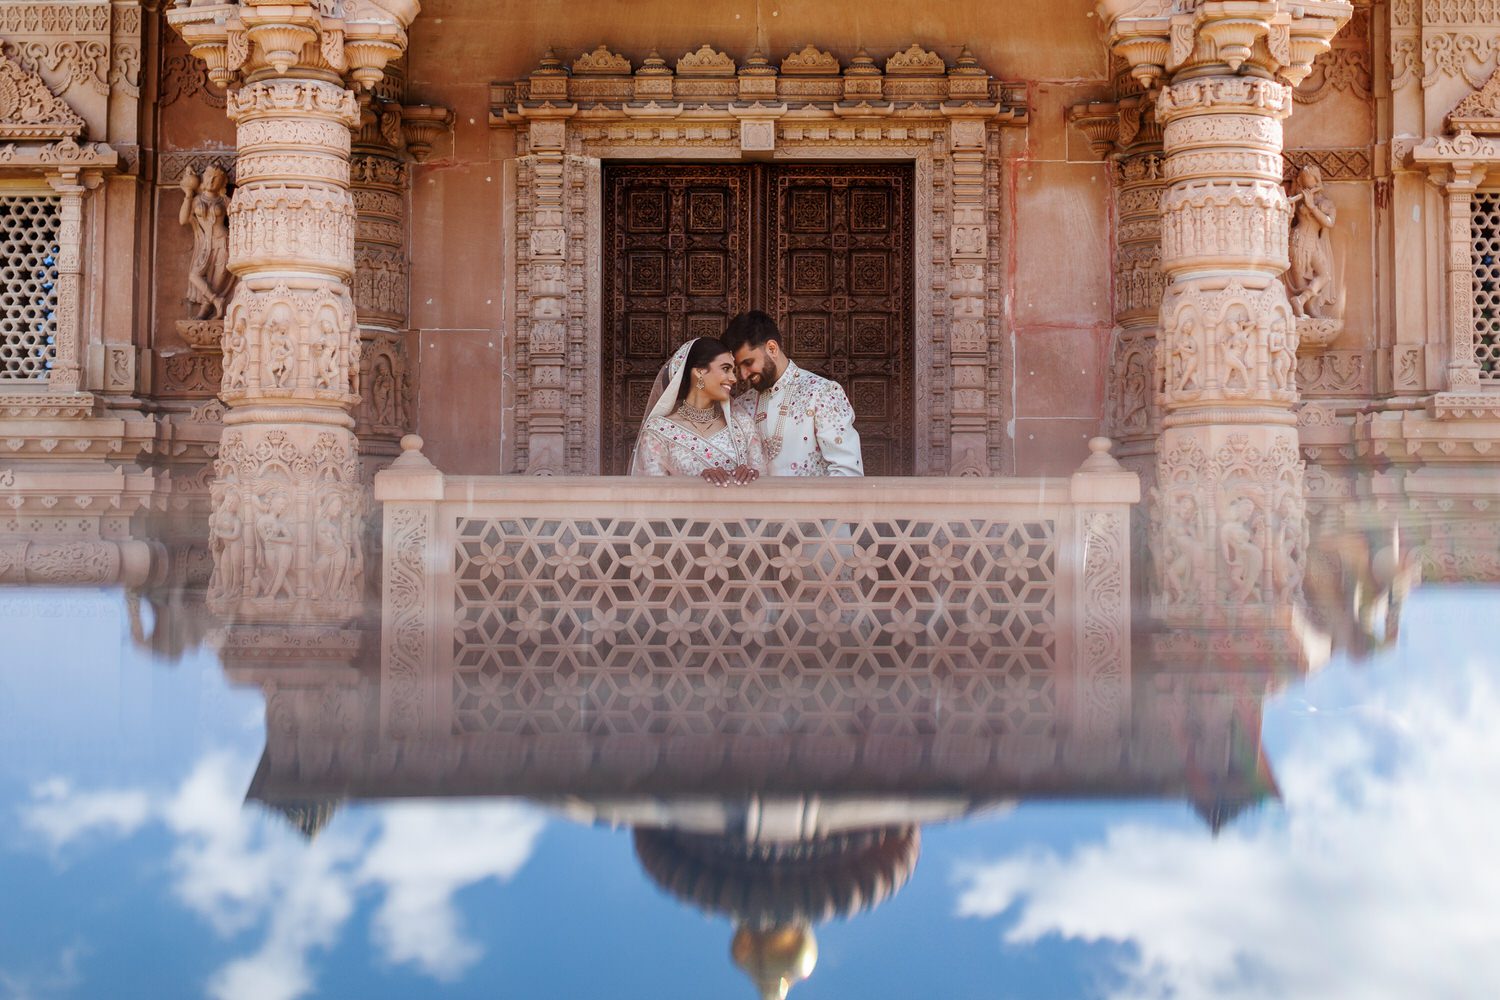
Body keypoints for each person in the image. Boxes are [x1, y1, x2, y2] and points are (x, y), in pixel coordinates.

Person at [722, 311, 864, 477]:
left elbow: (847, 472)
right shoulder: (743, 404)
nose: (743, 375)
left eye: (748, 363)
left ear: (772, 348)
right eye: (738, 368)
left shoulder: (821, 392)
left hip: (811, 502)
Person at [630, 337, 762, 486]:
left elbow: (766, 486)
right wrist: (698, 482)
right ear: (699, 372)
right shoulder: (658, 432)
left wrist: (750, 475)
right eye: (725, 369)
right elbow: (653, 496)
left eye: (733, 371)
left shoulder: (743, 425)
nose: (733, 378)